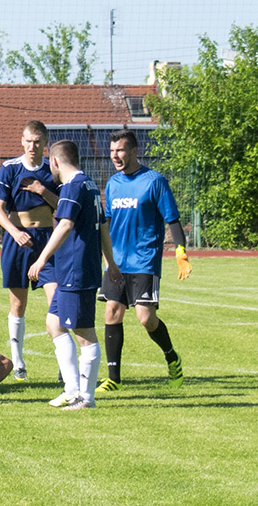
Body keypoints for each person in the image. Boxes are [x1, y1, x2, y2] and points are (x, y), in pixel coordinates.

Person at [28, 140, 121, 410]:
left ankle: (86, 398)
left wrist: (42, 257)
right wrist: (110, 262)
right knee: (54, 324)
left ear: (55, 162)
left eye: (50, 163)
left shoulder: (72, 187)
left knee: (84, 334)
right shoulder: (90, 185)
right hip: (74, 268)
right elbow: (103, 225)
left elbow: (66, 223)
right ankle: (71, 390)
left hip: (75, 269)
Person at [95, 129, 191, 392]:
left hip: (145, 261)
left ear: (135, 151)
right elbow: (108, 223)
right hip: (116, 262)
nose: (115, 155)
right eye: (112, 151)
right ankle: (113, 378)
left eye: (120, 150)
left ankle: (172, 357)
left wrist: (180, 252)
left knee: (145, 318)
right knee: (112, 312)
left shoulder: (154, 181)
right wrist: (106, 257)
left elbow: (172, 219)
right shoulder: (113, 184)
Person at [0, 121, 59, 381]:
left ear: (45, 143)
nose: (32, 146)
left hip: (46, 240)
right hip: (17, 240)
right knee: (18, 303)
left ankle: (63, 364)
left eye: (37, 141)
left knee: (56, 302)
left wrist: (43, 191)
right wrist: (15, 232)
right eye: (28, 141)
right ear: (22, 141)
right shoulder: (10, 168)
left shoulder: (53, 170)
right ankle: (18, 362)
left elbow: (62, 206)